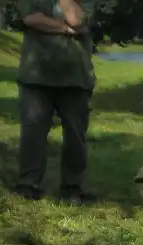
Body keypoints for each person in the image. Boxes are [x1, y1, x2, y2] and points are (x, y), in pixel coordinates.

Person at [13, 0, 96, 204]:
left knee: (75, 135)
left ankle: (72, 187)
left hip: (76, 78)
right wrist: (65, 30)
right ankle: (28, 185)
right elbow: (32, 19)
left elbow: (76, 20)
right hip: (36, 76)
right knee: (33, 132)